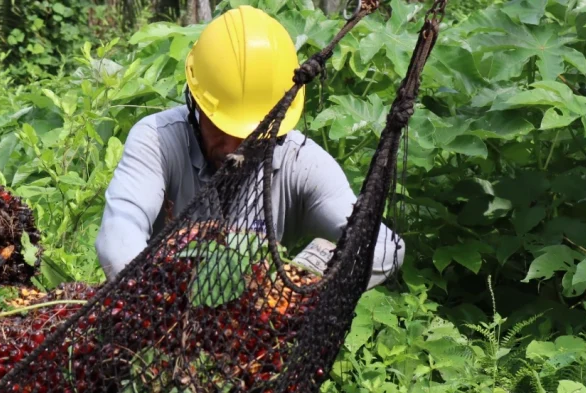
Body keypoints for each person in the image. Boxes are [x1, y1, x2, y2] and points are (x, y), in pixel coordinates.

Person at [94, 5, 404, 290]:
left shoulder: (302, 163)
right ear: (195, 102)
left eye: (253, 134)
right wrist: (156, 300)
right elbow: (118, 238)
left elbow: (385, 247)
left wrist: (303, 276)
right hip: (163, 311)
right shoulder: (157, 140)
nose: (233, 146)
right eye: (220, 127)